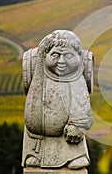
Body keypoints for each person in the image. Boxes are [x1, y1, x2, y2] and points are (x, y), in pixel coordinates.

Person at [22, 30, 93, 170]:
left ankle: (76, 156)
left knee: (75, 155)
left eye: (68, 56)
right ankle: (34, 155)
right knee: (33, 159)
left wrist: (77, 125)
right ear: (45, 55)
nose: (61, 61)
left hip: (68, 140)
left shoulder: (76, 78)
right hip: (37, 140)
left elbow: (82, 105)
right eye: (55, 55)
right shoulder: (38, 72)